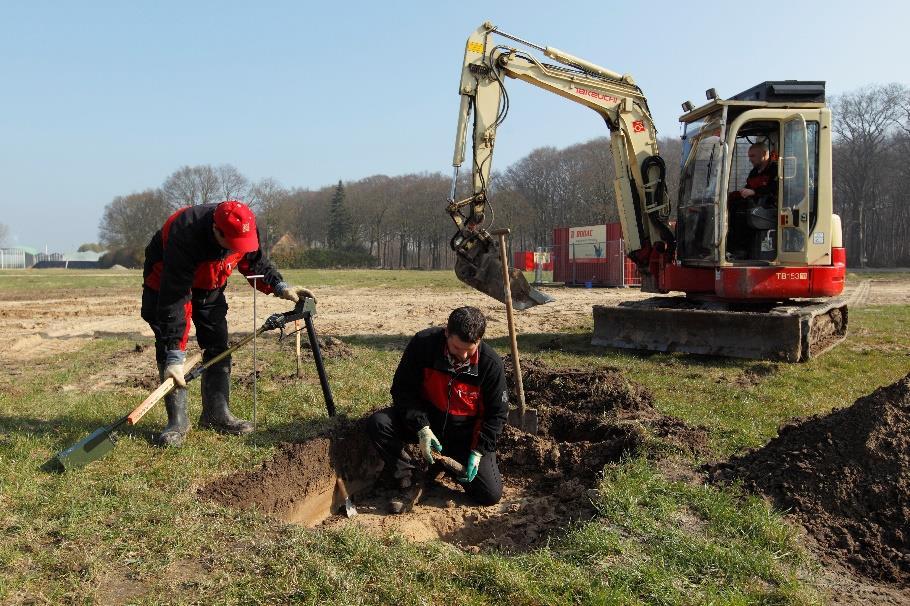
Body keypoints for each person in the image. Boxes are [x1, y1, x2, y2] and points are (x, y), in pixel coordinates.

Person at [141, 200, 313, 447]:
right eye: (230, 244)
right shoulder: (185, 233)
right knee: (170, 350)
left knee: (217, 340)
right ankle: (177, 422)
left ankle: (216, 414)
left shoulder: (244, 227)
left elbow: (254, 262)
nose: (236, 249)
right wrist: (174, 355)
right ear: (216, 230)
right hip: (166, 286)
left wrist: (279, 286)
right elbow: (175, 300)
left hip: (209, 284)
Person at [367, 306, 509, 510]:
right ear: (446, 333)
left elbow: (497, 414)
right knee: (379, 424)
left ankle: (441, 465)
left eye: (471, 348)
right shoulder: (423, 345)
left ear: (480, 339)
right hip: (428, 424)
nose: (464, 356)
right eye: (457, 348)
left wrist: (478, 451)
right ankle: (410, 478)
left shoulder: (491, 365)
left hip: (464, 436)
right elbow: (402, 389)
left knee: (489, 494)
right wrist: (422, 427)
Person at [728, 143, 778, 258]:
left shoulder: (775, 170)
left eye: (753, 156)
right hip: (755, 204)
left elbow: (775, 190)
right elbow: (748, 187)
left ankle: (741, 249)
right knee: (731, 206)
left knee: (740, 212)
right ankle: (730, 247)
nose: (750, 159)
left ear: (764, 154)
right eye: (749, 156)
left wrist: (755, 192)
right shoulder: (754, 172)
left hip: (770, 206)